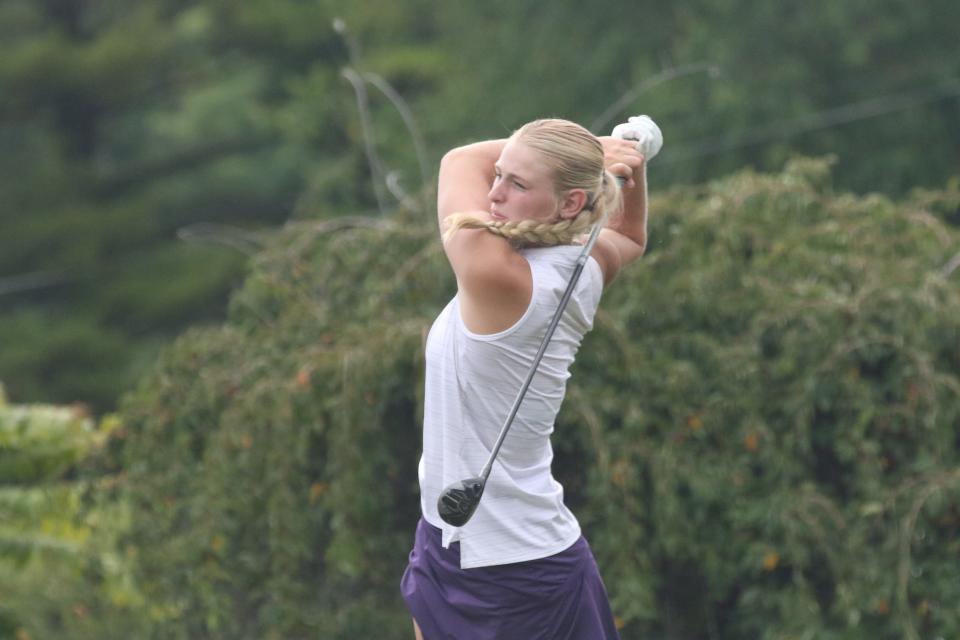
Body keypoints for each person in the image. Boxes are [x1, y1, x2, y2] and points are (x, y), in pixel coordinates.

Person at [400, 118, 649, 640]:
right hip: (449, 540)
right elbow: (628, 235)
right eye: (500, 175)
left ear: (572, 204)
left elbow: (456, 159)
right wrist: (621, 164)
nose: (494, 194)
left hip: (514, 573)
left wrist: (597, 146)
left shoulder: (496, 274)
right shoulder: (582, 264)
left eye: (517, 184)